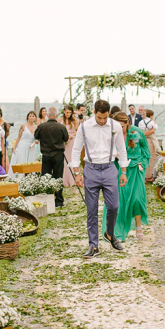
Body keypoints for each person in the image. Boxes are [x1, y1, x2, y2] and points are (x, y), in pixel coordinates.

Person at [70, 99, 128, 257]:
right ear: (94, 113)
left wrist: (123, 171)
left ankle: (109, 234)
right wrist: (76, 173)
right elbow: (75, 151)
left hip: (110, 168)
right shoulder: (84, 127)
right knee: (92, 210)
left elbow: (121, 149)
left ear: (108, 114)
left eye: (105, 117)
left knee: (114, 206)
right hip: (91, 169)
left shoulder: (115, 126)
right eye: (99, 117)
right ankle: (93, 246)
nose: (102, 121)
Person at [102, 112, 149, 240]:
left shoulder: (136, 132)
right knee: (118, 200)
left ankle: (139, 226)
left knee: (137, 198)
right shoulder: (110, 134)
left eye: (122, 126)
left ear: (127, 123)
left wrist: (142, 165)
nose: (119, 129)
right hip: (117, 169)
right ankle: (115, 228)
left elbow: (146, 151)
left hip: (135, 169)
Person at [36, 109, 70, 208]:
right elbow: (66, 138)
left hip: (46, 154)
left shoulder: (42, 126)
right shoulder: (61, 127)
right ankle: (59, 200)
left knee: (46, 177)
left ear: (48, 116)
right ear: (56, 116)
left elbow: (36, 136)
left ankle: (46, 199)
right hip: (58, 154)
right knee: (58, 177)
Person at [57, 107, 80, 189]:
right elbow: (57, 131)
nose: (68, 114)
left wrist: (72, 135)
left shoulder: (74, 120)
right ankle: (64, 180)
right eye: (67, 112)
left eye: (70, 112)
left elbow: (78, 131)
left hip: (72, 141)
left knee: (71, 158)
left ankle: (73, 180)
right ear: (64, 112)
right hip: (64, 142)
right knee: (63, 160)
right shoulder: (60, 120)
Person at [139, 108, 159, 181]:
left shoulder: (141, 122)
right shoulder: (152, 122)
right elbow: (154, 130)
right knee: (151, 157)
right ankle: (148, 176)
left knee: (144, 157)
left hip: (143, 140)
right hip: (150, 141)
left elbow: (140, 130)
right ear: (150, 116)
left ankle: (144, 175)